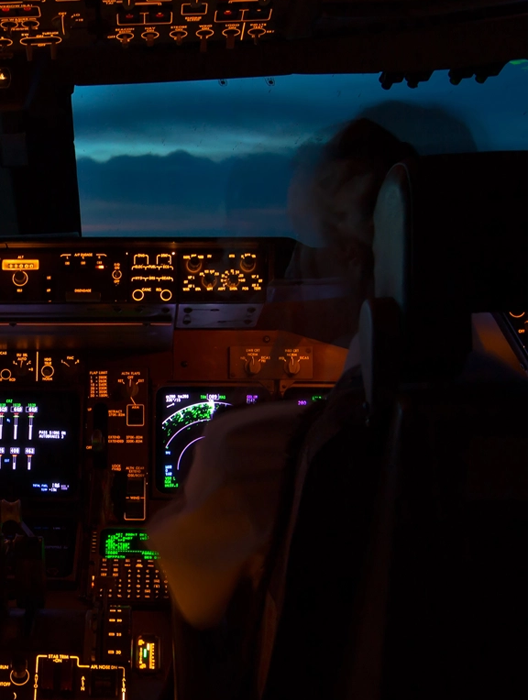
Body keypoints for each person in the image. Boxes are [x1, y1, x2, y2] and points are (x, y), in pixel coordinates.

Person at [145, 119, 417, 629]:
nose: (281, 289)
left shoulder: (255, 448)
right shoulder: (501, 395)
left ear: (356, 260)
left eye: (299, 257)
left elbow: (193, 603)